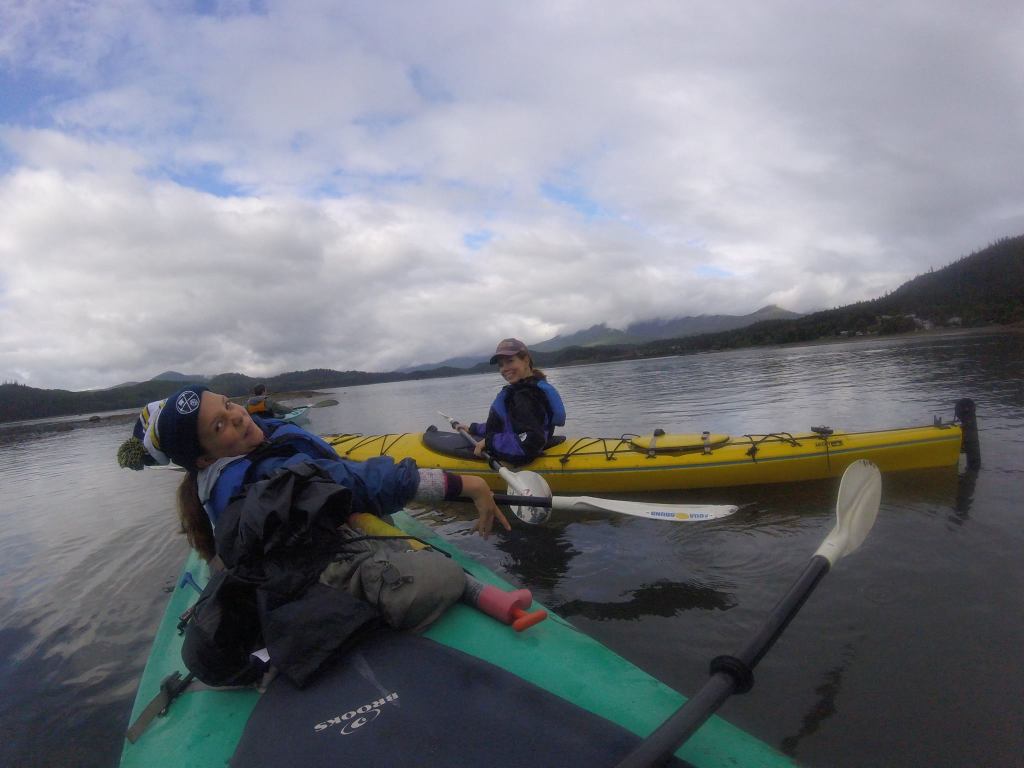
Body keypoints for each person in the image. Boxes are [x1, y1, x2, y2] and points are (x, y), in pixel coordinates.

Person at [117, 384, 510, 687]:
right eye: (218, 425)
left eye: (228, 404)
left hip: (302, 544)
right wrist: (462, 484)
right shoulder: (266, 479)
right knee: (437, 578)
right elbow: (354, 481)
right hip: (318, 570)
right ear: (204, 458)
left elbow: (329, 468)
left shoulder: (245, 448)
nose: (235, 417)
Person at [462, 338, 566, 466]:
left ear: (526, 360)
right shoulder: (523, 389)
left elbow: (530, 442)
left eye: (510, 361)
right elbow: (507, 425)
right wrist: (474, 428)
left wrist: (489, 442)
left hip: (520, 458)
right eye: (501, 365)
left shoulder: (526, 396)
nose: (504, 368)